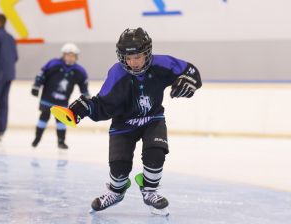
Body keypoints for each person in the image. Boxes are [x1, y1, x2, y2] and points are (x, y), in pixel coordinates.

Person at [65, 28, 202, 215]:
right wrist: (86, 107)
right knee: (119, 166)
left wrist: (191, 82)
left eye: (137, 57)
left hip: (153, 119)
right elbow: (104, 105)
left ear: (148, 53)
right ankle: (116, 191)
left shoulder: (163, 63)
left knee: (156, 154)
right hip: (123, 124)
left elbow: (192, 72)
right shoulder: (117, 73)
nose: (133, 63)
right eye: (127, 58)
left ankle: (150, 191)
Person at [31, 43, 90, 149]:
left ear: (76, 57)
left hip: (62, 101)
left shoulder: (79, 71)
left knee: (61, 120)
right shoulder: (54, 64)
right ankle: (37, 139)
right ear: (63, 55)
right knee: (44, 117)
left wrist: (86, 96)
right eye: (68, 55)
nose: (70, 57)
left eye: (73, 55)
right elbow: (41, 75)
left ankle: (61, 141)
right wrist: (36, 86)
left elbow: (83, 85)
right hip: (47, 98)